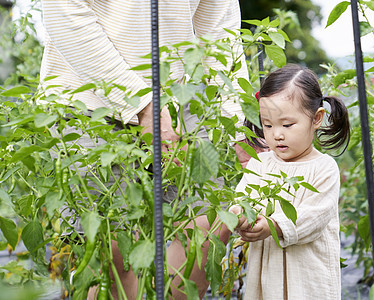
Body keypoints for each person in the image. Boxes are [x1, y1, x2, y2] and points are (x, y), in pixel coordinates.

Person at [40, 0, 250, 299]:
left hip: (178, 94)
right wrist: (142, 104)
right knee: (116, 248)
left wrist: (236, 120)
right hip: (88, 99)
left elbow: (219, 26)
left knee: (210, 222)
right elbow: (64, 12)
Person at [230, 64, 350, 299]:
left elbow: (313, 216)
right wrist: (239, 215)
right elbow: (243, 197)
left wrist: (272, 226)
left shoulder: (324, 168)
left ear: (316, 118)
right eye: (268, 125)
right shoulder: (260, 163)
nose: (277, 134)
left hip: (308, 281)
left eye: (287, 125)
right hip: (267, 280)